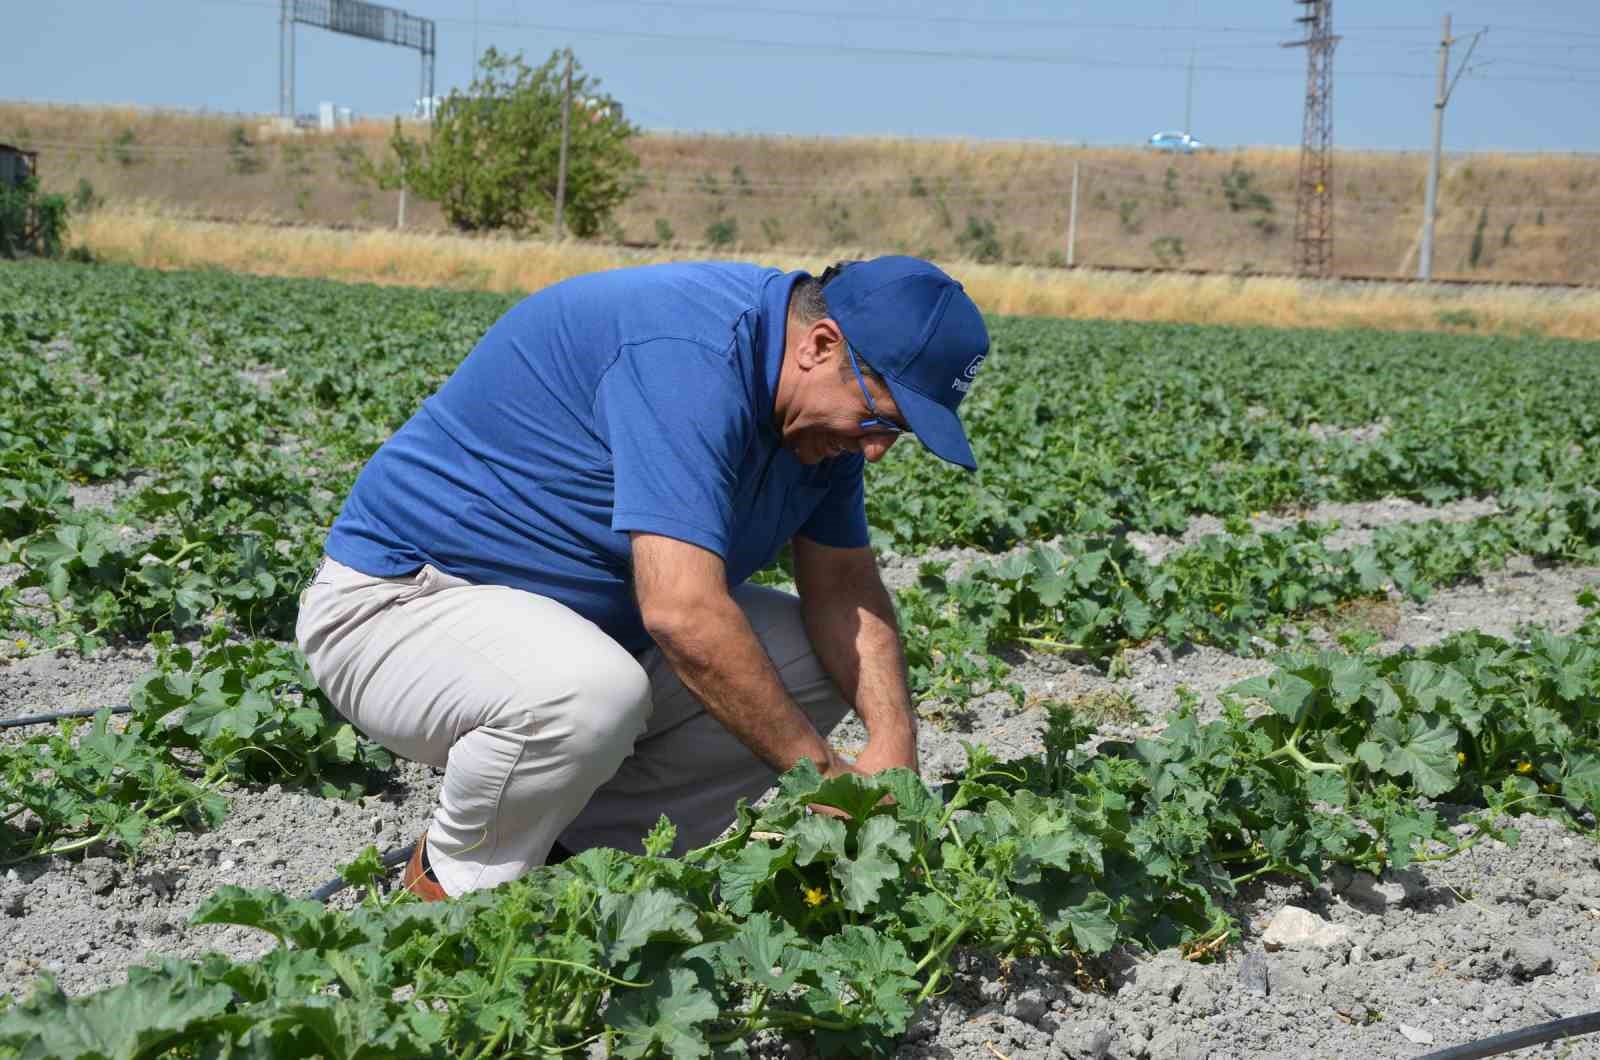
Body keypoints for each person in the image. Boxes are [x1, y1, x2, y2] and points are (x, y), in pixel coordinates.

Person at [295, 255, 990, 899]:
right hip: (401, 606)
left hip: (584, 629)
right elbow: (682, 614)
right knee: (586, 691)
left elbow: (843, 590)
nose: (872, 450)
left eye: (893, 433)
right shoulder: (687, 356)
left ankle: (570, 865)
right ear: (819, 345)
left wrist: (894, 746)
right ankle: (449, 888)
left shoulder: (819, 422)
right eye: (876, 420)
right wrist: (824, 781)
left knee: (806, 661)